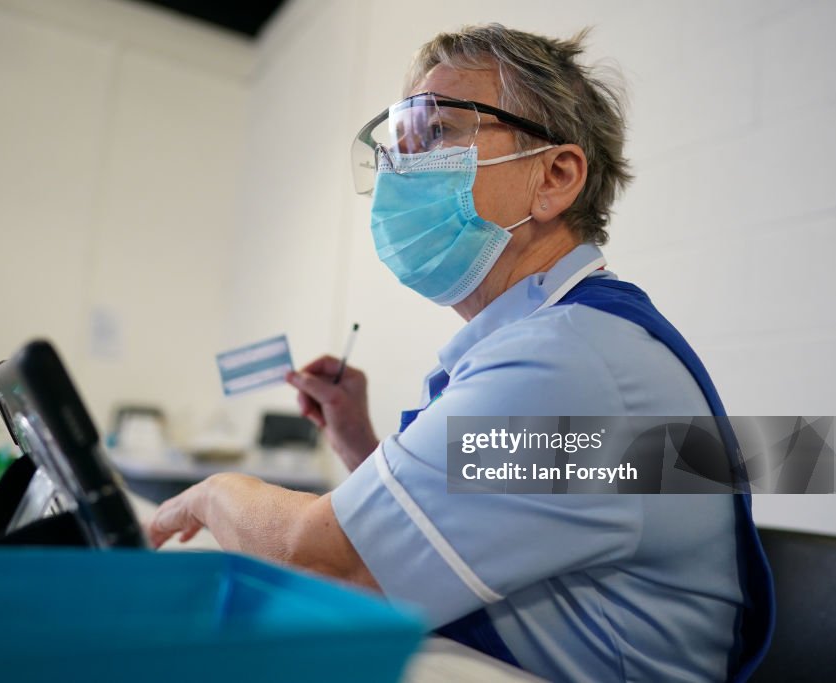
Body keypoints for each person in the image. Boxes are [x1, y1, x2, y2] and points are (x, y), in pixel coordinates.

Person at [149, 23, 774, 682]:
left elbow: (326, 562)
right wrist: (359, 441)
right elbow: (458, 526)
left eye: (438, 133)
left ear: (554, 177)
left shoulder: (567, 361)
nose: (402, 166)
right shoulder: (572, 339)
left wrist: (212, 494)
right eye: (400, 144)